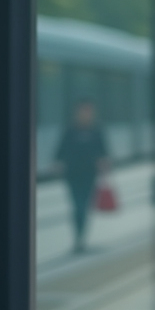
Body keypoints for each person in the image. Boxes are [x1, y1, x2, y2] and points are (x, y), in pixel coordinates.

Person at [54, 98, 110, 254]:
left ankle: (80, 237)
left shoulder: (96, 129)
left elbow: (104, 150)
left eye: (89, 111)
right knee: (78, 206)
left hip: (90, 174)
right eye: (83, 111)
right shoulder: (70, 129)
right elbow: (61, 148)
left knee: (84, 206)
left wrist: (103, 163)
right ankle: (78, 237)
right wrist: (58, 162)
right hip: (72, 174)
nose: (86, 114)